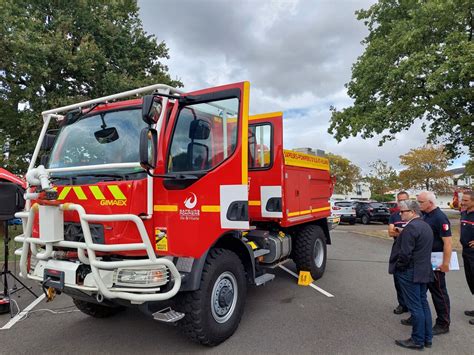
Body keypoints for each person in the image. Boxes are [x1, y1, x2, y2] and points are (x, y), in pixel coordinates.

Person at [401, 191, 452, 335]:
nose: (418, 204)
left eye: (421, 202)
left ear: (430, 203)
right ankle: (417, 317)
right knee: (420, 292)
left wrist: (445, 263)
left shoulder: (439, 217)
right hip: (424, 261)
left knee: (439, 292)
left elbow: (447, 243)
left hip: (436, 262)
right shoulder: (424, 215)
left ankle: (443, 323)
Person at [389, 200, 433, 350]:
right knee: (422, 304)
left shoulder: (411, 228)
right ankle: (427, 338)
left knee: (416, 307)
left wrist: (400, 267)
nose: (400, 214)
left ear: (413, 212)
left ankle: (417, 340)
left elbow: (405, 254)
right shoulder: (425, 226)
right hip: (423, 270)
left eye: (403, 211)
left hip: (411, 272)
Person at [388, 191, 410, 314]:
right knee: (398, 278)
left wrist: (400, 231)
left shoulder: (415, 214)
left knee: (410, 280)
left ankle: (412, 305)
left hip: (411, 250)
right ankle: (402, 304)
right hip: (398, 248)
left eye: (404, 200)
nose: (401, 202)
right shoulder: (395, 215)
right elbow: (391, 232)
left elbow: (417, 233)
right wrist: (407, 232)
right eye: (399, 200)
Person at [460, 190, 474, 325]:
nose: (462, 202)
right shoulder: (464, 213)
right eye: (462, 200)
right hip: (466, 252)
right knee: (471, 281)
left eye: (465, 200)